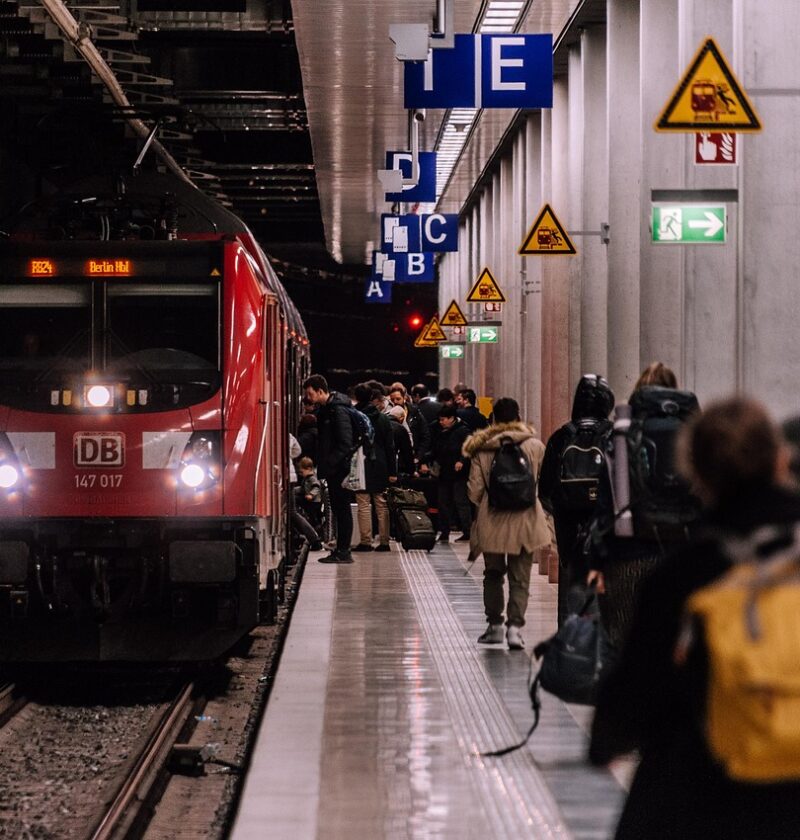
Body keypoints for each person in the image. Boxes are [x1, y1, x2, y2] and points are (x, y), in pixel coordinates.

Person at [590, 397, 800, 839]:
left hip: (699, 793)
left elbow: (635, 693)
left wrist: (605, 742)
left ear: (696, 474)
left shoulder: (682, 575)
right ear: (781, 459)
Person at [587, 361, 692, 648]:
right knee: (677, 644)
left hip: (628, 554)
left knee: (624, 643)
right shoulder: (695, 432)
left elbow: (608, 501)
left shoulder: (622, 434)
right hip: (685, 555)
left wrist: (596, 561)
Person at [464, 397, 550, 649]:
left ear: (493, 419)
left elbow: (474, 490)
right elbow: (544, 485)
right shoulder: (535, 446)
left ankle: (494, 626)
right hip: (526, 519)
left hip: (492, 520)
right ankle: (515, 628)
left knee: (493, 574)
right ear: (519, 417)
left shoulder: (482, 448)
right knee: (520, 576)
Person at [538, 374, 615, 624]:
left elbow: (545, 489)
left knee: (571, 579)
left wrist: (564, 510)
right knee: (607, 583)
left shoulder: (561, 436)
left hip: (568, 526)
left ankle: (570, 639)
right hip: (606, 526)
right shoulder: (613, 436)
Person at [303, 374, 354, 563]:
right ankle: (341, 550)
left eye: (310, 393)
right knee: (339, 509)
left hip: (339, 469)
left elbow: (344, 443)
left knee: (342, 509)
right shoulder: (327, 410)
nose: (309, 397)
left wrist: (330, 463)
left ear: (320, 391)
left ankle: (344, 552)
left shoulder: (337, 410)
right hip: (334, 468)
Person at [352, 384, 395, 553]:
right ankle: (384, 542)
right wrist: (393, 471)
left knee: (363, 504)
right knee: (381, 504)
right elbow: (390, 447)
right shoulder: (383, 419)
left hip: (360, 464)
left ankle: (365, 541)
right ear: (371, 397)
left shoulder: (353, 416)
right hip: (380, 464)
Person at [432, 404, 472, 543]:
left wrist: (461, 461)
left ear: (452, 418)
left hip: (459, 474)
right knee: (443, 502)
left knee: (460, 501)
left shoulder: (463, 431)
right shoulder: (442, 431)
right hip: (445, 472)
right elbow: (436, 449)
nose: (441, 422)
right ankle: (444, 532)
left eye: (443, 419)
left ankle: (467, 531)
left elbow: (469, 448)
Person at [388, 404, 415, 477]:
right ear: (402, 418)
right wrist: (411, 471)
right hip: (393, 463)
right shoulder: (400, 429)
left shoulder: (382, 424)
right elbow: (407, 451)